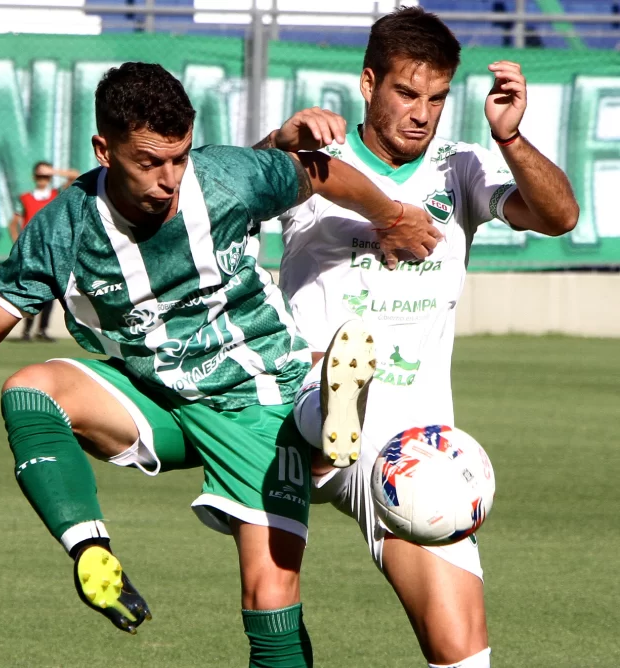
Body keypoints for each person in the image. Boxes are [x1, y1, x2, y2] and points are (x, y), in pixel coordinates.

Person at [0, 62, 438, 667]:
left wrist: (392, 217)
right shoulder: (63, 228)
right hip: (154, 398)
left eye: (180, 158)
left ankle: (322, 409)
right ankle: (89, 549)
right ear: (104, 149)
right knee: (31, 388)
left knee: (269, 597)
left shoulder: (225, 177)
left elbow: (317, 174)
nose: (168, 179)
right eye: (149, 162)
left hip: (254, 394)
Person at [267, 7, 579, 668]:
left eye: (437, 98)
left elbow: (559, 216)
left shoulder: (458, 169)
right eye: (407, 93)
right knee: (331, 386)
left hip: (412, 452)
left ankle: (337, 428)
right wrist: (282, 137)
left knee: (463, 652)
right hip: (308, 400)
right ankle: (329, 416)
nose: (422, 112)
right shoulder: (314, 160)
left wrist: (512, 140)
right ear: (368, 82)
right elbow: (236, 181)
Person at [8, 161, 79, 342]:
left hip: (53, 251)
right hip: (32, 252)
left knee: (50, 292)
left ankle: (42, 329)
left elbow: (75, 176)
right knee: (30, 291)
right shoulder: (25, 198)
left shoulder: (56, 194)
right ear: (34, 178)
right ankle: (26, 330)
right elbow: (13, 223)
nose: (43, 179)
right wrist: (19, 245)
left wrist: (55, 171)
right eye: (40, 176)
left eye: (46, 176)